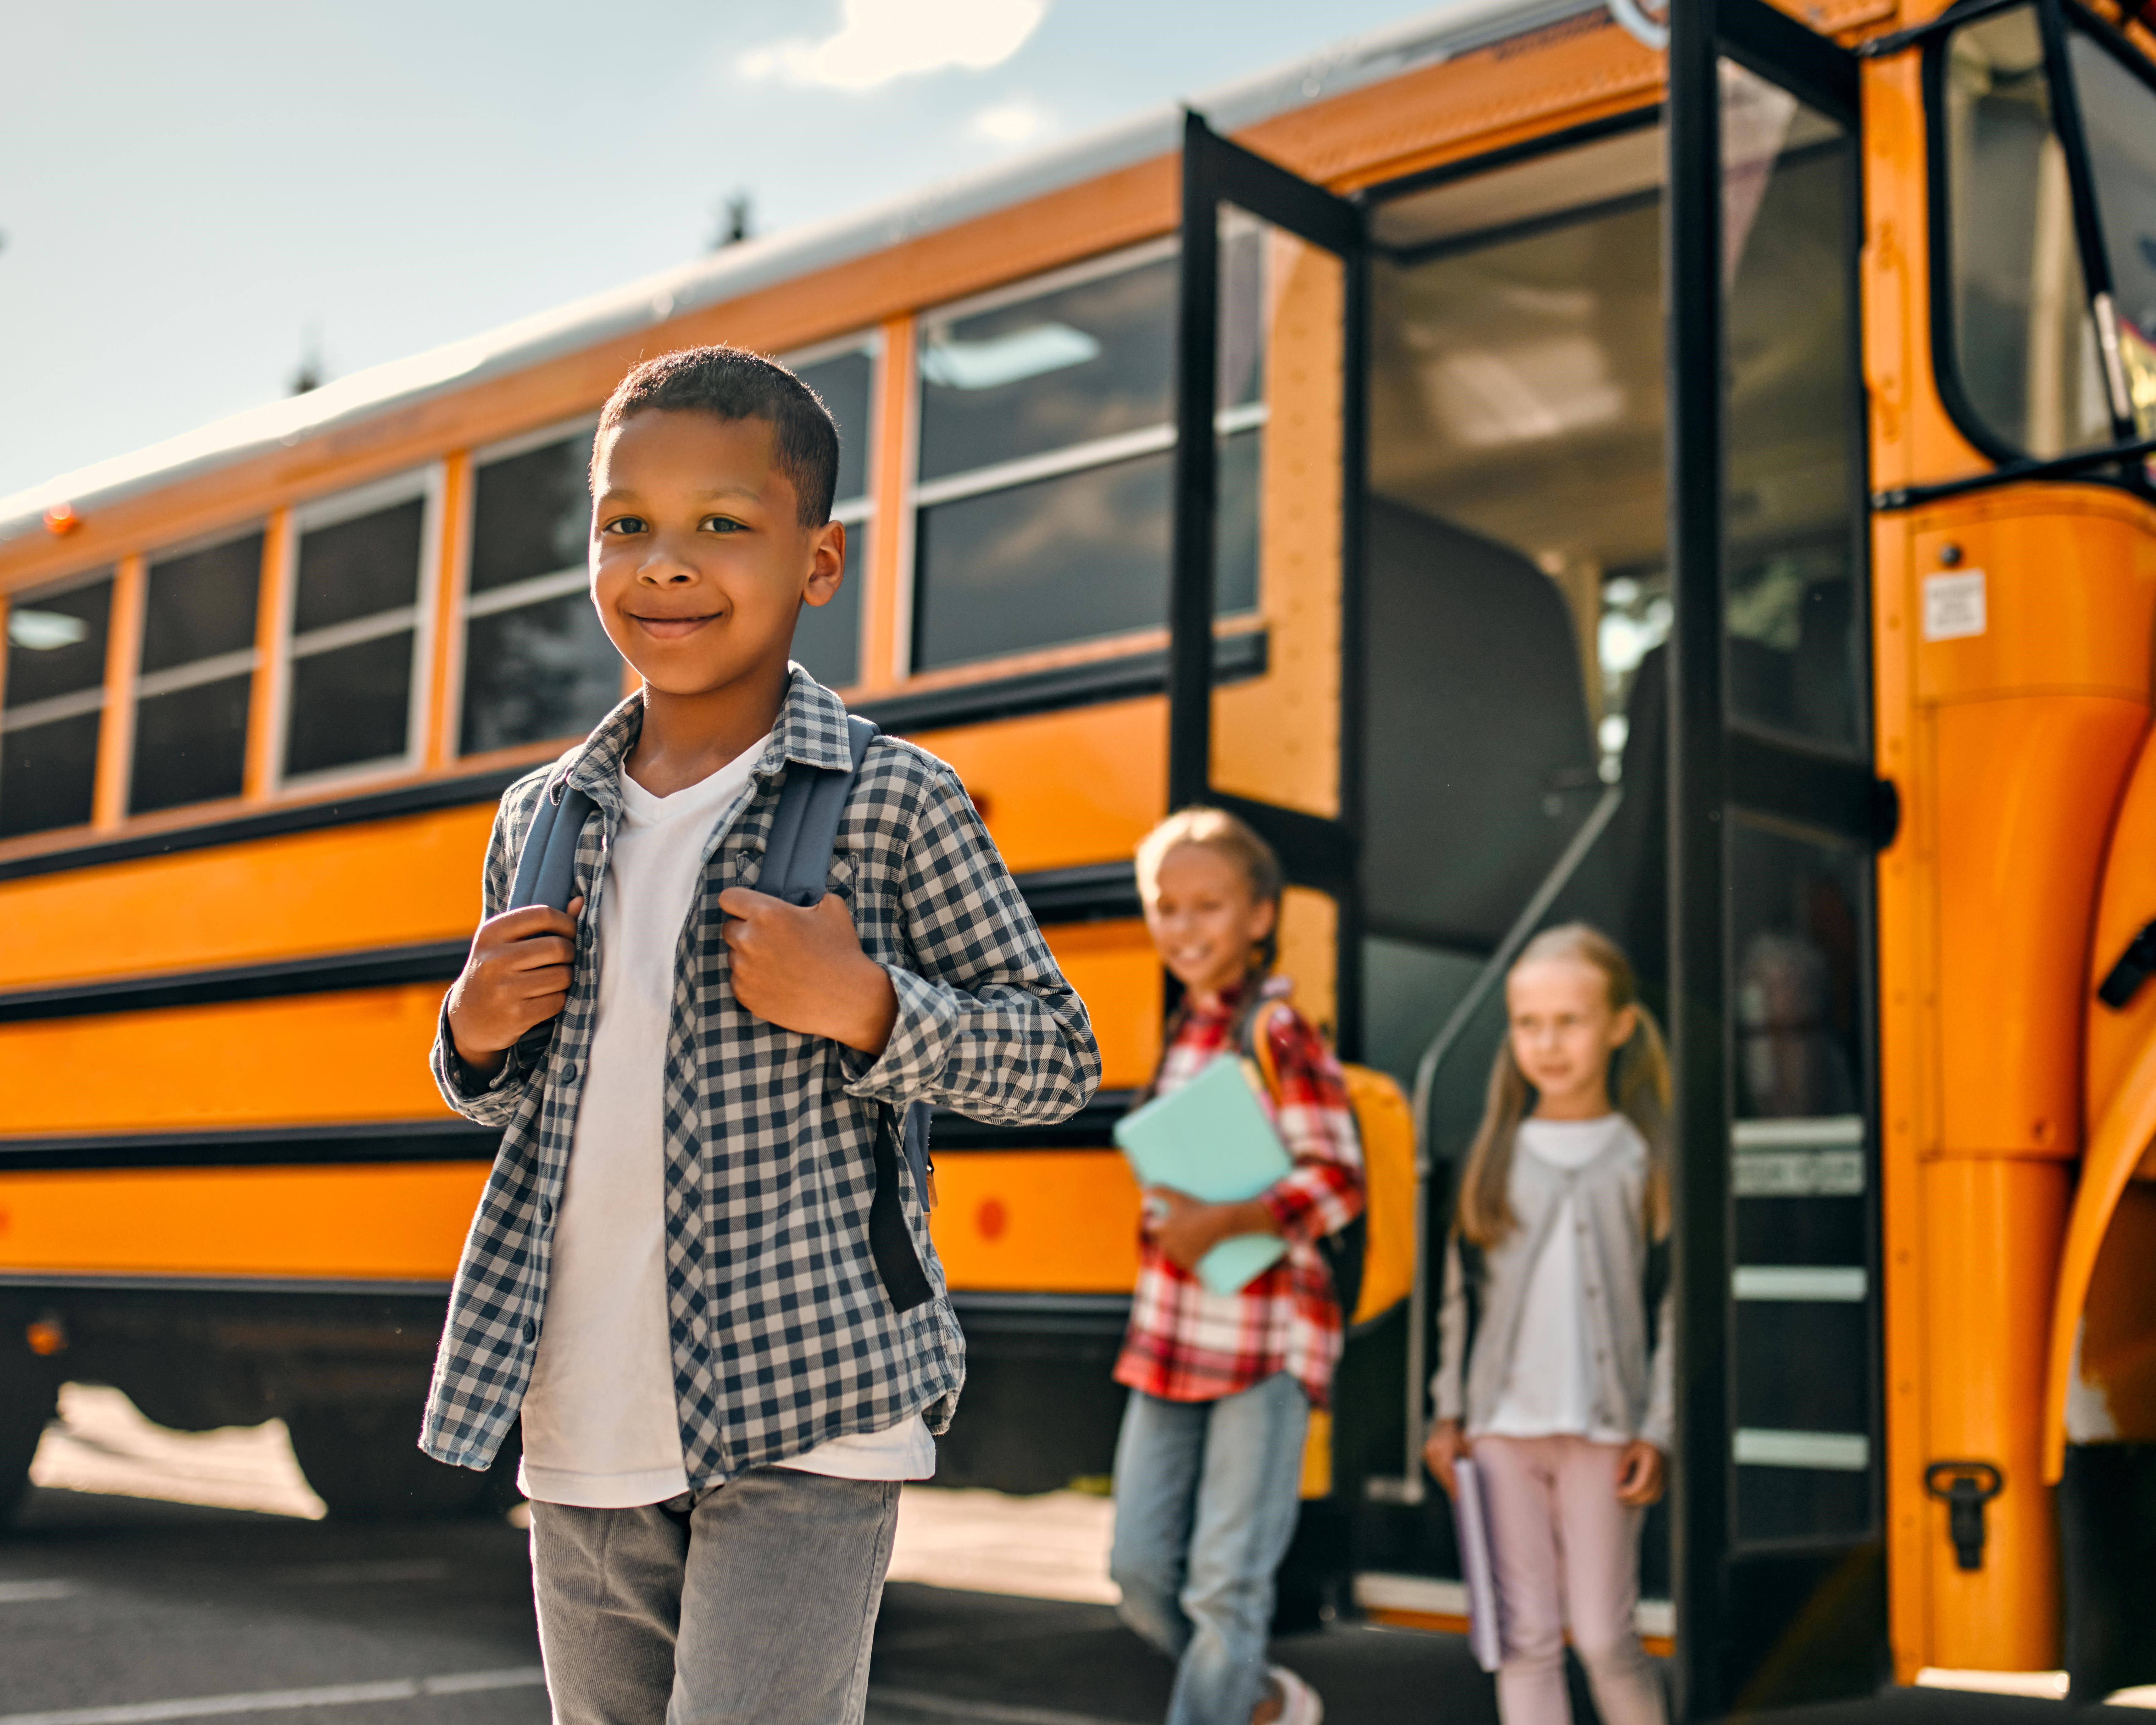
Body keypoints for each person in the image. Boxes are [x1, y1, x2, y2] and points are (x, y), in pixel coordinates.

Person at [424, 345, 1101, 1725]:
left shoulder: (892, 803)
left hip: (811, 1388)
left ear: (819, 564)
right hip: (580, 1403)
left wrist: (871, 1009)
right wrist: (473, 1036)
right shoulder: (541, 818)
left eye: (722, 525)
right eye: (629, 525)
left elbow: (1056, 1054)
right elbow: (523, 1108)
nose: (665, 565)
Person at [1109, 807, 1365, 1725]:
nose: (1183, 927)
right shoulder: (1186, 1030)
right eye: (1165, 907)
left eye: (1208, 905)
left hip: (1263, 1343)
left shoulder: (1280, 1029)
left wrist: (1230, 1219)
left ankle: (1225, 1696)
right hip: (1172, 1335)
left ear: (1261, 915)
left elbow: (1340, 1180)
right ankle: (1256, 1696)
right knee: (1137, 1569)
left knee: (1226, 1585)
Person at [1424, 922, 1672, 1725]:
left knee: (1604, 1636)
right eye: (1528, 1024)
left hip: (1605, 1434)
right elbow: (1460, 1300)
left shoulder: (1644, 1158)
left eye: (1569, 1021)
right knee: (1525, 1639)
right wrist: (1448, 1411)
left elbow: (1670, 1305)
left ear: (1618, 1027)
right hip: (1502, 1434)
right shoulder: (1496, 1152)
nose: (1547, 1043)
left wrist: (1658, 1430)